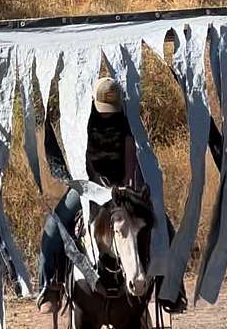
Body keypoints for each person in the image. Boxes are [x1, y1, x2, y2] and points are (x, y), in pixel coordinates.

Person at [37, 77, 186, 315]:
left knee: (163, 226)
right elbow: (83, 157)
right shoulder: (83, 118)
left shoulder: (126, 117)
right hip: (89, 184)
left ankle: (172, 288)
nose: (107, 114)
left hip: (122, 184)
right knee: (53, 227)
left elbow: (130, 152)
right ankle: (49, 287)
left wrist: (127, 184)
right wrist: (96, 185)